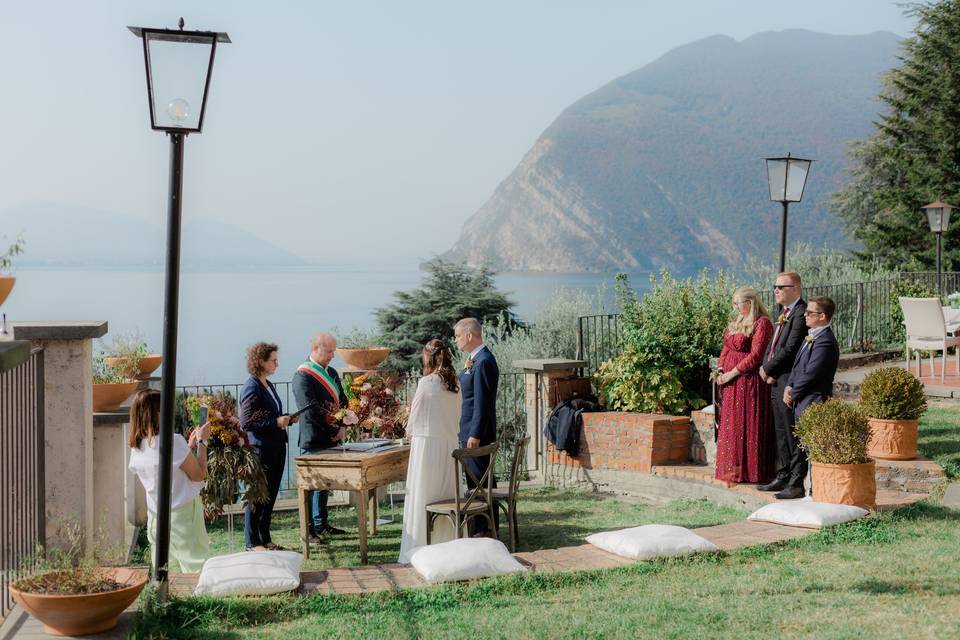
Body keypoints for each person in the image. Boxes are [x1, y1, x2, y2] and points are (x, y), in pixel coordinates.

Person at [128, 388, 211, 573]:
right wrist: (202, 442)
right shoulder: (173, 442)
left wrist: (187, 448)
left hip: (156, 517)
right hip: (182, 516)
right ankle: (199, 602)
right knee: (197, 567)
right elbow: (198, 474)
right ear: (157, 413)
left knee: (166, 571)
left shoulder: (137, 447)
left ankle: (170, 602)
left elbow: (163, 468)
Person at [398, 339, 462, 562]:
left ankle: (420, 546)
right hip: (449, 446)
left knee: (423, 495)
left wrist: (407, 433)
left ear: (428, 357)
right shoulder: (455, 384)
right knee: (445, 494)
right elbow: (458, 417)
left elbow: (414, 419)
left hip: (426, 447)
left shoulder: (426, 383)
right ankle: (446, 542)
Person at [239, 342, 298, 551]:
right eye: (273, 360)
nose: (277, 364)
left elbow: (270, 415)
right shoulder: (252, 387)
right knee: (257, 495)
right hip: (261, 450)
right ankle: (251, 542)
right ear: (261, 362)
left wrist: (287, 419)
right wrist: (275, 422)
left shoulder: (268, 384)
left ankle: (265, 538)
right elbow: (246, 423)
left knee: (270, 495)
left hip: (276, 447)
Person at [757, 271, 809, 499]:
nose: (776, 290)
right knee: (780, 431)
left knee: (792, 432)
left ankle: (796, 482)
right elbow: (773, 346)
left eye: (781, 286)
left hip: (788, 381)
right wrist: (765, 367)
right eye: (774, 286)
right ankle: (783, 474)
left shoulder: (800, 313)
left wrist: (768, 369)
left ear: (795, 289)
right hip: (775, 380)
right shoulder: (784, 312)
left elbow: (790, 349)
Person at [292, 332, 349, 540]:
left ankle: (322, 523)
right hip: (314, 438)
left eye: (334, 351)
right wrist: (333, 431)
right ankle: (308, 530)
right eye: (329, 351)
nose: (333, 355)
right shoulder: (302, 375)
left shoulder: (332, 372)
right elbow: (310, 410)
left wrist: (342, 424)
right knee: (311, 485)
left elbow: (343, 401)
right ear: (316, 349)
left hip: (333, 437)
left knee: (324, 485)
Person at [715, 287, 774, 484]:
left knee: (747, 425)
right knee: (733, 426)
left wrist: (733, 373)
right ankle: (734, 469)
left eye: (738, 303)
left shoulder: (762, 323)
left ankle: (751, 472)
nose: (736, 307)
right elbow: (725, 348)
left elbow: (757, 355)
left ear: (750, 302)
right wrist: (721, 370)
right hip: (731, 383)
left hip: (747, 382)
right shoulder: (738, 321)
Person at [454, 317, 499, 536]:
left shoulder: (483, 361)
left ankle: (485, 530)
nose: (456, 341)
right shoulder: (476, 359)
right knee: (477, 483)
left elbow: (483, 402)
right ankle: (479, 527)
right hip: (470, 432)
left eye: (457, 336)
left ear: (469, 335)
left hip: (476, 435)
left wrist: (475, 433)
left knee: (480, 483)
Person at [785, 296, 840, 418]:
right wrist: (788, 386)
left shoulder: (826, 342)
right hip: (802, 400)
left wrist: (792, 394)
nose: (805, 315)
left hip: (813, 402)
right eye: (806, 311)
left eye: (810, 312)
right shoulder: (811, 335)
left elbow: (811, 373)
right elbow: (797, 364)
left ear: (822, 316)